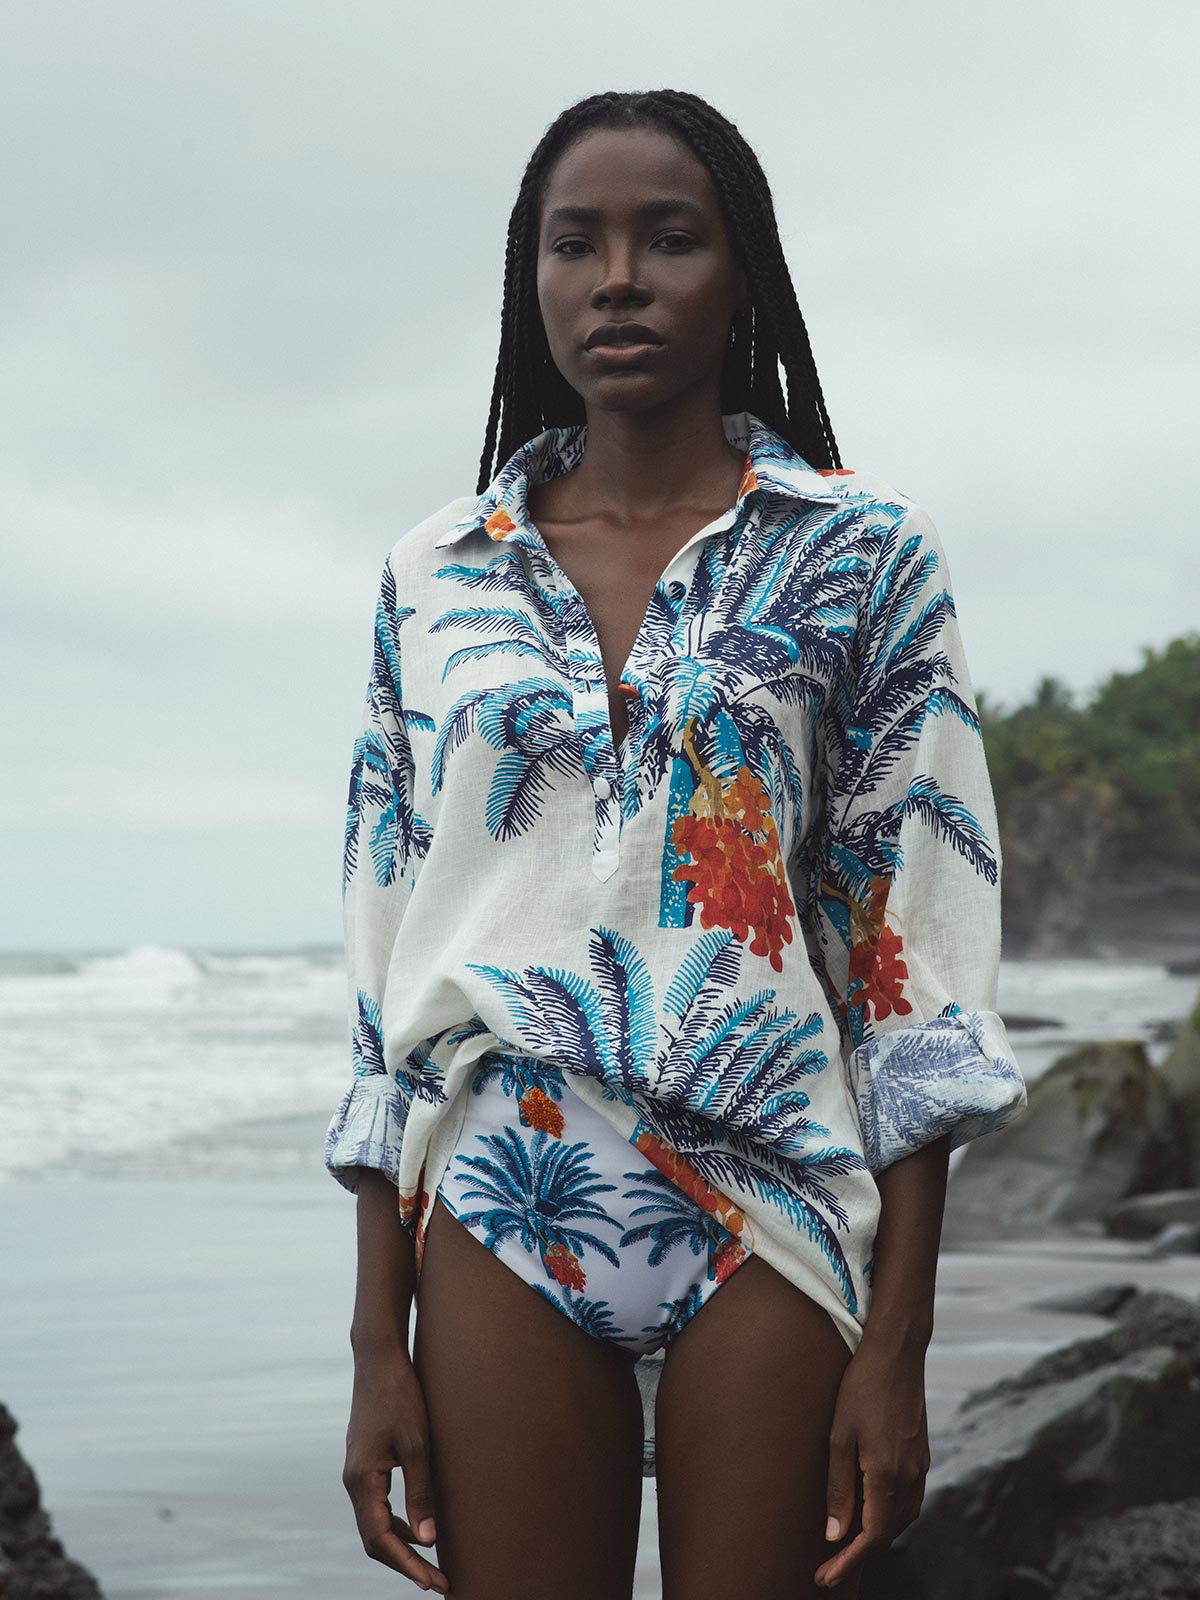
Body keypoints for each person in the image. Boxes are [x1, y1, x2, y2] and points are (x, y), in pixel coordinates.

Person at [323, 88, 1028, 1599]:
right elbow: (389, 979)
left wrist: (897, 1347)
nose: (618, 278)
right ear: (535, 280)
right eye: (576, 244)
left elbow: (917, 973)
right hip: (506, 1186)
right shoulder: (432, 578)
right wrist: (380, 1344)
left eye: (670, 239)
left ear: (743, 275)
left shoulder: (865, 556)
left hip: (773, 1193)